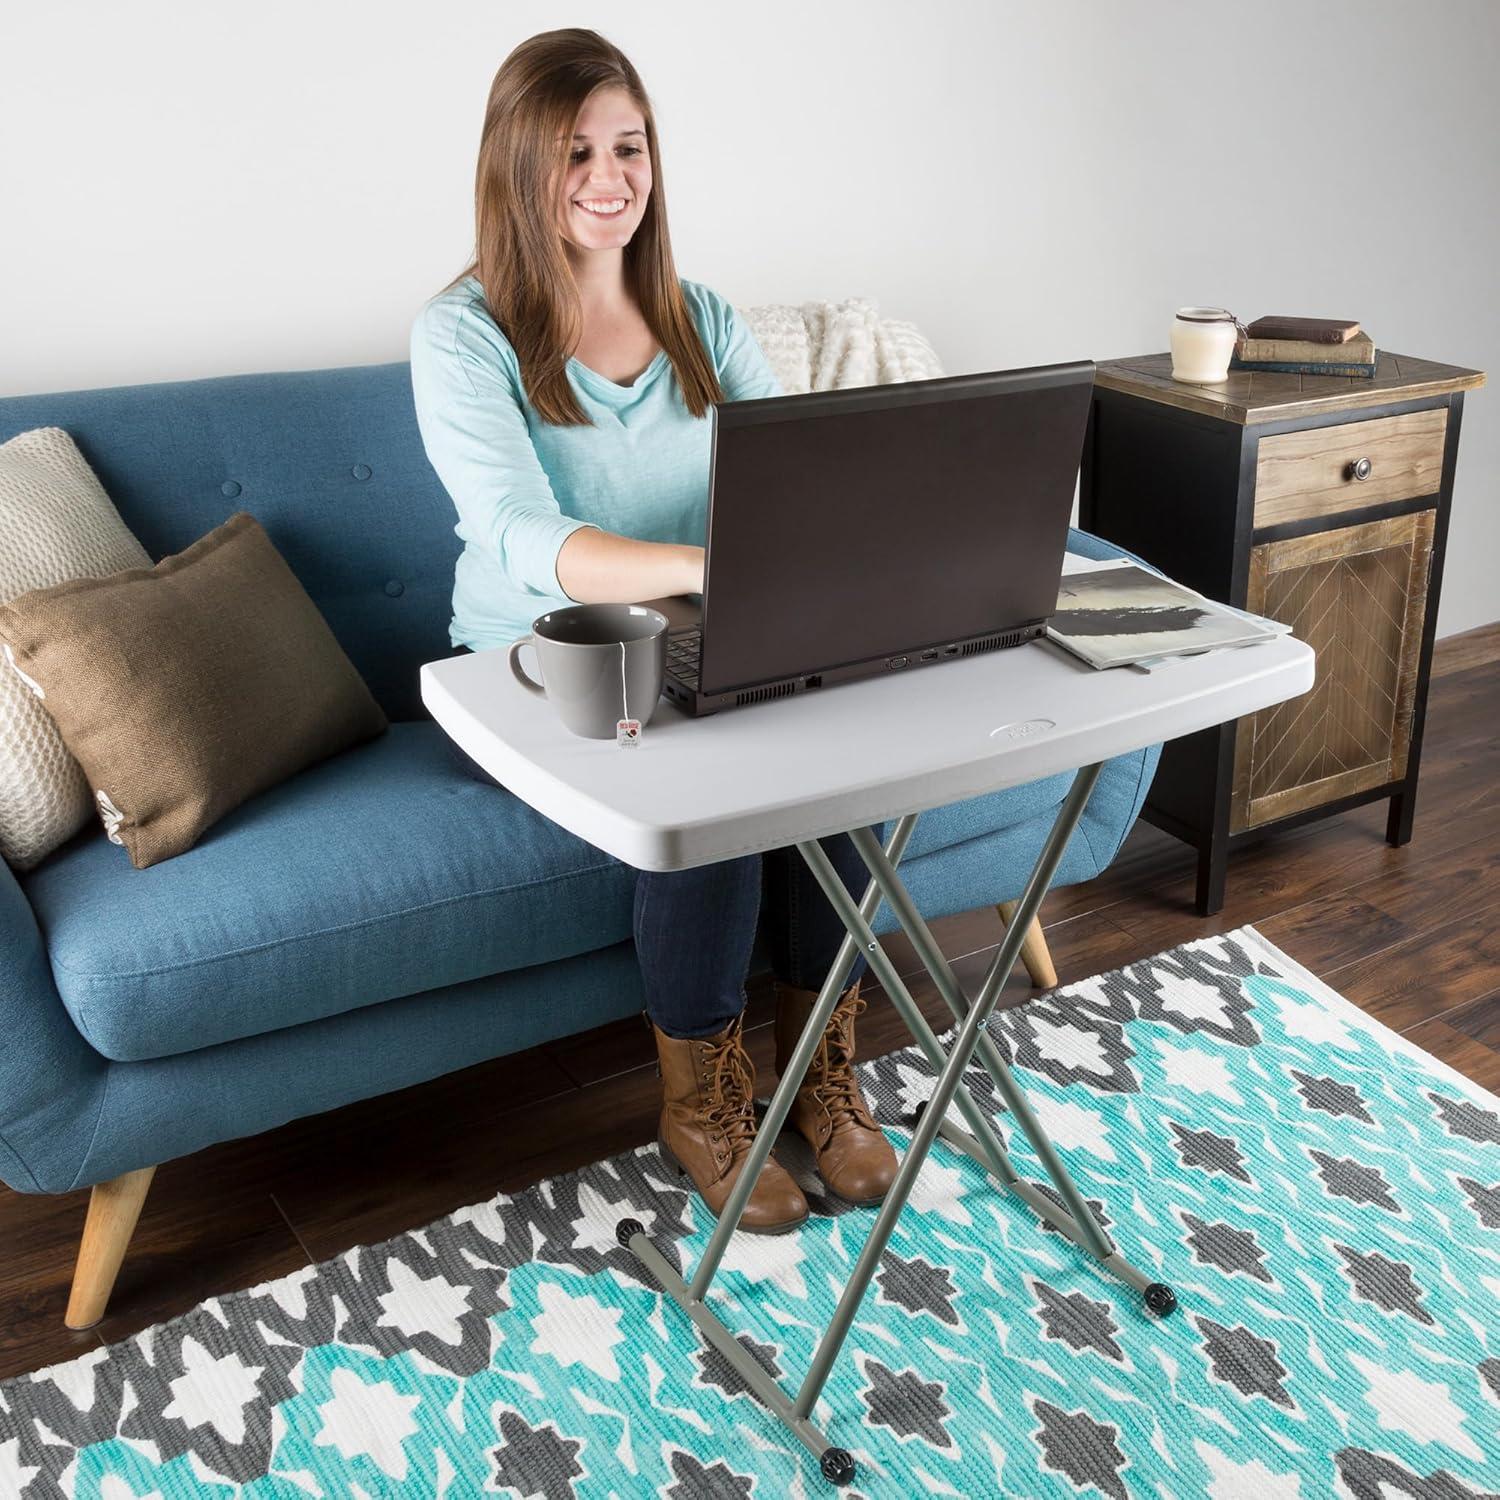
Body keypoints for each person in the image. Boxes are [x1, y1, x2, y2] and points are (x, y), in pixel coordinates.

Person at [408, 28, 897, 1235]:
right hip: (540, 659)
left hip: (702, 633)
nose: (608, 176)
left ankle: (819, 1077)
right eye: (575, 151)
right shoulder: (463, 334)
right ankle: (705, 1105)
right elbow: (519, 531)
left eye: (627, 147)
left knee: (853, 754)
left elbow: (789, 476)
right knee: (709, 784)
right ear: (518, 164)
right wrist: (702, 565)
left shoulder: (702, 317)